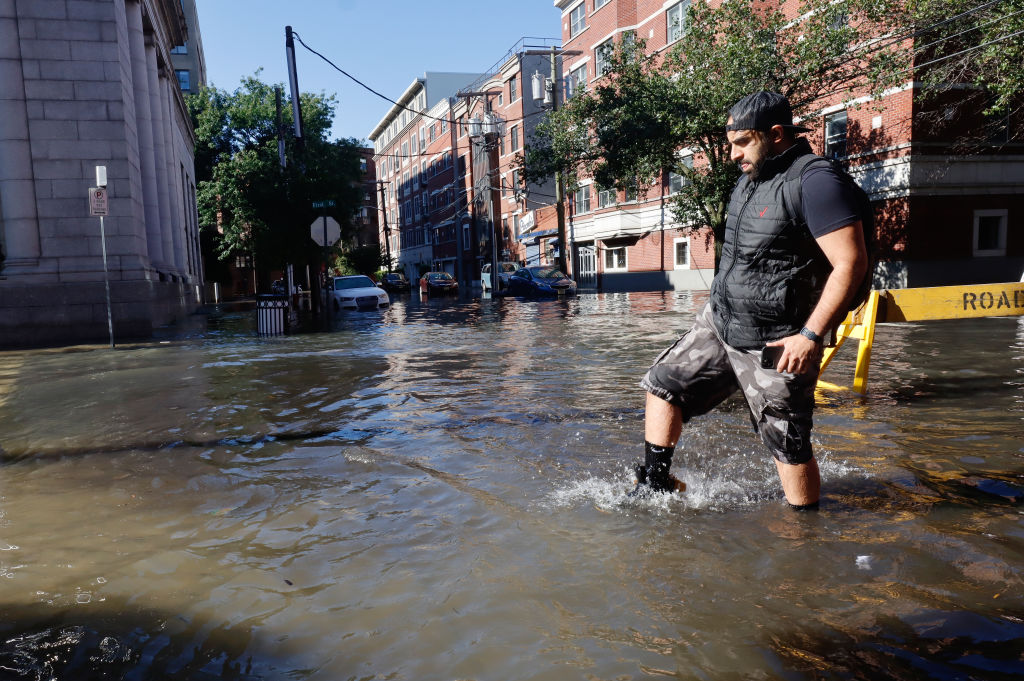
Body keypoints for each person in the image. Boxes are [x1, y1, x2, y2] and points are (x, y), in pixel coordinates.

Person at [633, 91, 869, 510]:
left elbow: (850, 263)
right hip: (722, 324)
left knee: (788, 445)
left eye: (742, 142)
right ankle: (655, 483)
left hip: (777, 341)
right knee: (663, 384)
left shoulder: (816, 181)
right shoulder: (749, 180)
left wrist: (810, 335)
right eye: (730, 144)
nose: (732, 155)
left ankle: (806, 534)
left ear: (776, 134)